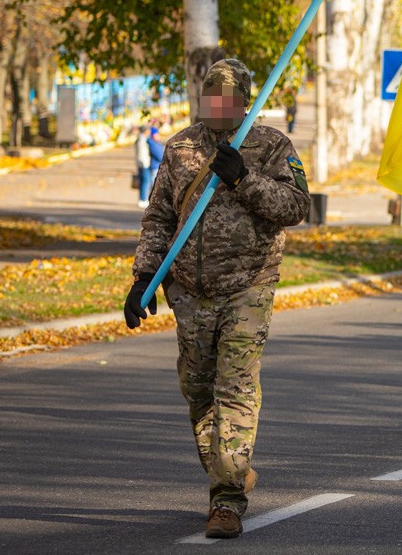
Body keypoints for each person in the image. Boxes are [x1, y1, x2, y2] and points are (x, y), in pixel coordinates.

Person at [125, 58, 310, 539]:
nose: (219, 107)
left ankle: (226, 500)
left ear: (246, 101)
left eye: (229, 100)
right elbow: (159, 217)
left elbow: (296, 208)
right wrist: (143, 276)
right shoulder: (180, 147)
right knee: (198, 390)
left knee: (236, 389)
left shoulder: (272, 146)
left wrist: (243, 178)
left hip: (248, 285)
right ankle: (231, 468)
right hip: (188, 289)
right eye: (212, 98)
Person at [134, 124, 152, 208]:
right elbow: (142, 153)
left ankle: (142, 198)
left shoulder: (138, 139)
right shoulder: (143, 139)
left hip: (139, 163)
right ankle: (143, 199)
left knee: (142, 181)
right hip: (144, 163)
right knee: (146, 180)